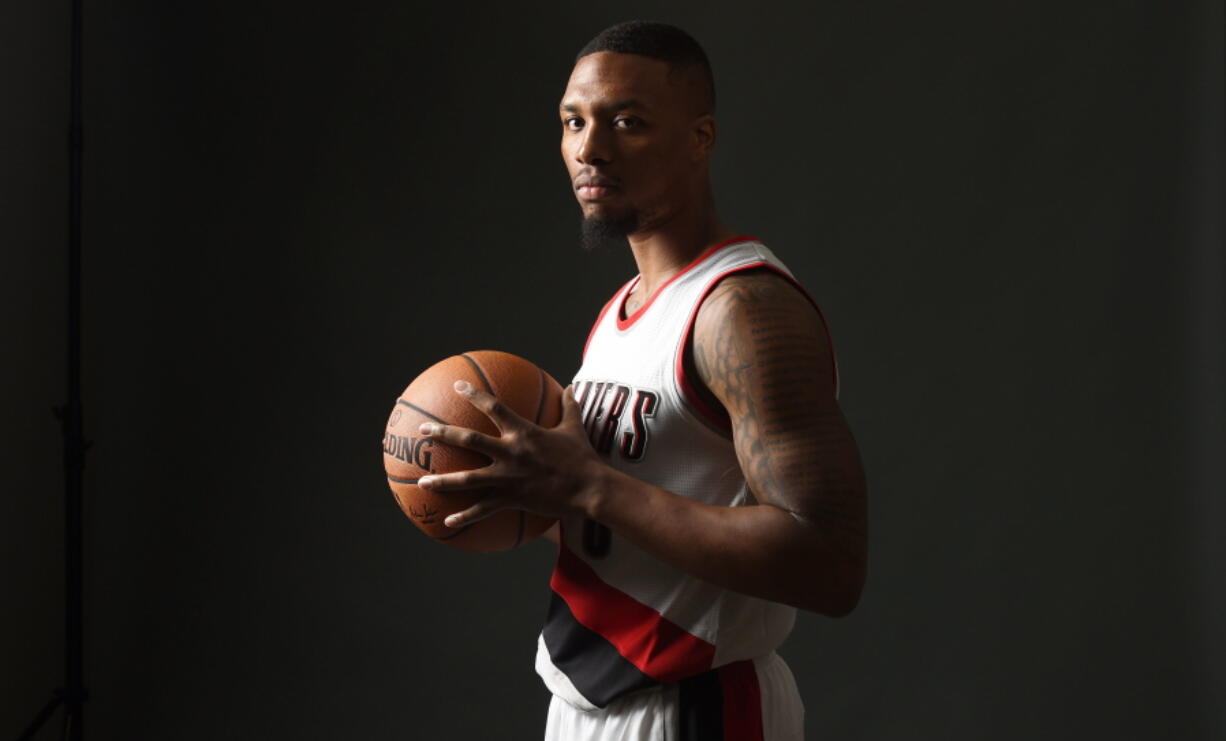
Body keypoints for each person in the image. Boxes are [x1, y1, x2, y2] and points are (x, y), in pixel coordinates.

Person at [413, 20, 867, 741]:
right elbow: (627, 509)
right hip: (586, 698)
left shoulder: (741, 310)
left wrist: (586, 486)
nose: (590, 149)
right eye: (573, 121)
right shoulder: (620, 313)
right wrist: (525, 483)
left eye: (628, 122)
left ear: (700, 136)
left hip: (698, 703)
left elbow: (830, 564)